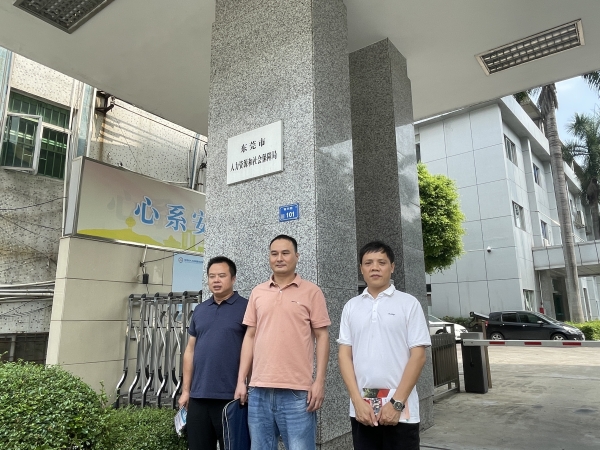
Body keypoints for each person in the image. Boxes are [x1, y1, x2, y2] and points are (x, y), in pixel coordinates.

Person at [234, 235, 331, 450]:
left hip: (297, 392)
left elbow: (322, 336)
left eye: (285, 253)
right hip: (258, 390)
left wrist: (319, 381)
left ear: (296, 256)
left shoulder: (312, 292)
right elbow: (250, 336)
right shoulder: (258, 292)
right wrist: (241, 380)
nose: (279, 258)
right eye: (274, 253)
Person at [338, 241, 431, 450]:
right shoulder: (351, 307)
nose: (375, 267)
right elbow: (344, 356)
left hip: (401, 409)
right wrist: (357, 401)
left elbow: (418, 356)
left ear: (392, 267)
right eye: (368, 263)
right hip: (363, 410)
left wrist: (396, 403)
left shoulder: (409, 304)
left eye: (381, 262)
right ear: (361, 269)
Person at [179, 256, 248, 450]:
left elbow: (253, 348)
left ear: (233, 279)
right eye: (212, 276)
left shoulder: (246, 308)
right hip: (198, 397)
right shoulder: (200, 310)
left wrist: (245, 383)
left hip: (231, 397)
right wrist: (186, 391)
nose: (216, 280)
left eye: (222, 276)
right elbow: (190, 350)